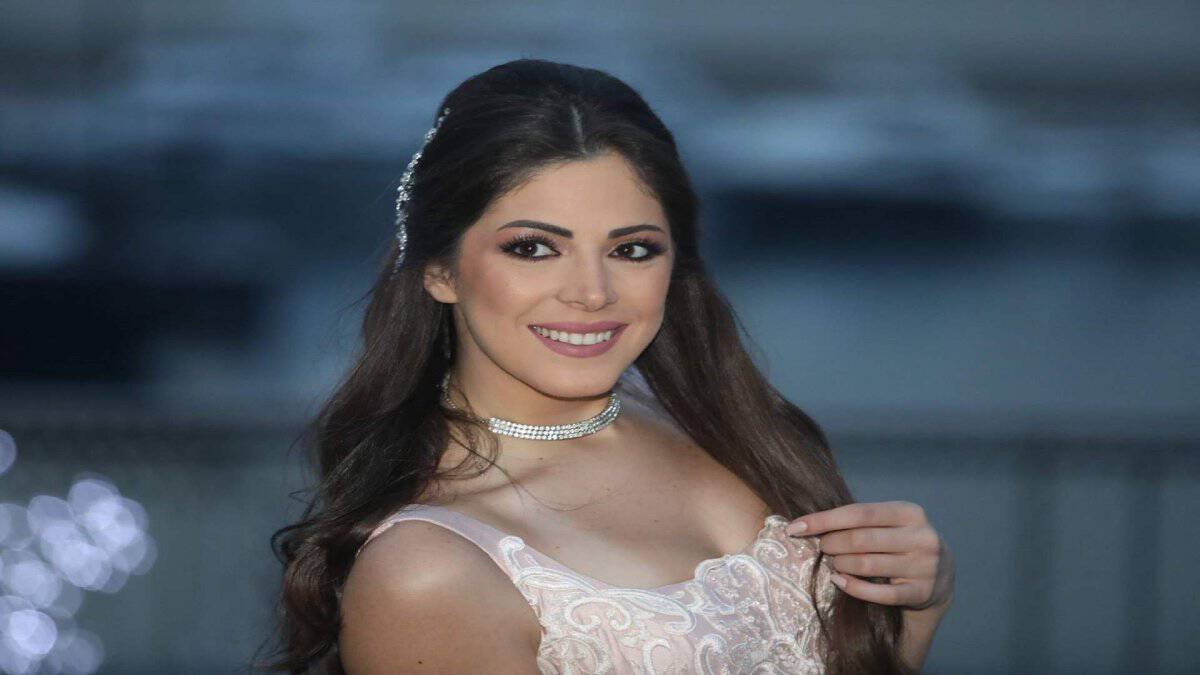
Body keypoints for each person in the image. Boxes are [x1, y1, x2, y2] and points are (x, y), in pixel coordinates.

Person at [260, 58, 954, 674]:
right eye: (533, 248)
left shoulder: (721, 425)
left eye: (632, 249)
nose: (592, 292)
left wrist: (918, 605)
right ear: (439, 270)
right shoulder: (427, 573)